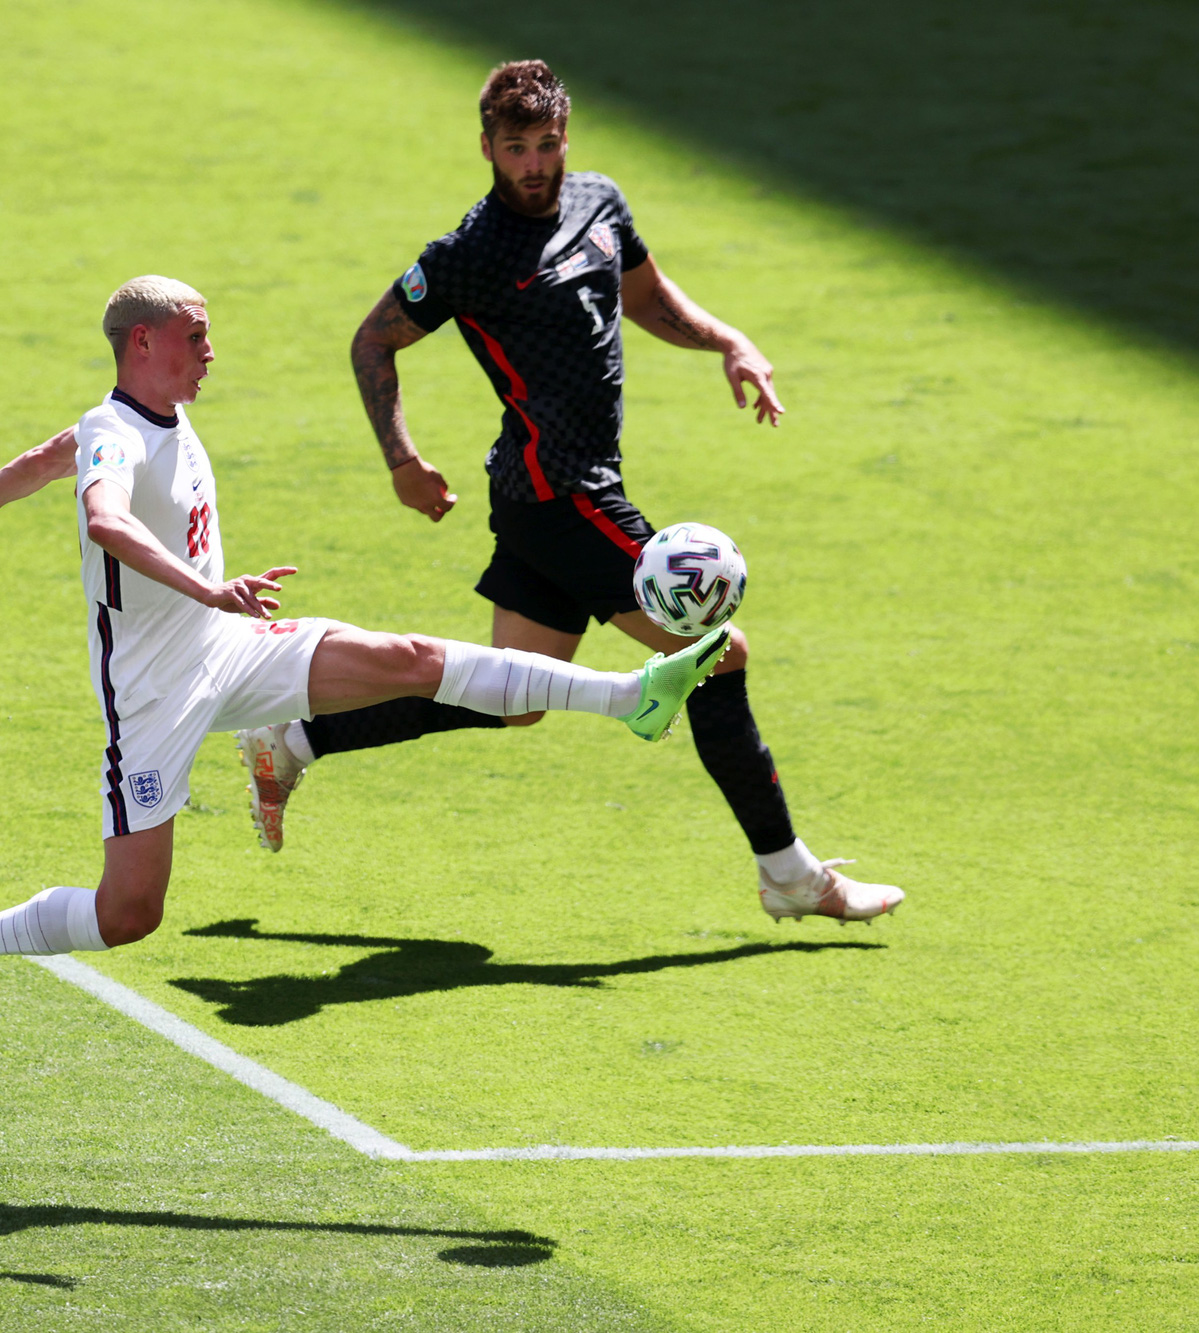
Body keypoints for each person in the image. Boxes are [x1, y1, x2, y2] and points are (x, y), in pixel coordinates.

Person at [0, 275, 729, 1047]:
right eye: (196, 336)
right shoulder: (116, 431)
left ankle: (631, 695)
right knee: (129, 914)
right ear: (143, 342)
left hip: (228, 647)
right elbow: (107, 520)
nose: (211, 352)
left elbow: (57, 453)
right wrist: (210, 588)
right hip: (152, 695)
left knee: (407, 657)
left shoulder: (125, 421)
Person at [235, 61, 903, 926]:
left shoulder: (598, 202)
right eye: (515, 148)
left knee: (516, 699)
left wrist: (728, 342)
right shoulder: (467, 258)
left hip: (546, 494)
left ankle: (292, 739)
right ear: (487, 148)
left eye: (547, 144)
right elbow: (372, 343)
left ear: (565, 138)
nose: (535, 164)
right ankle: (791, 874)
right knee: (718, 656)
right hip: (562, 498)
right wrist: (401, 458)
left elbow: (648, 301)